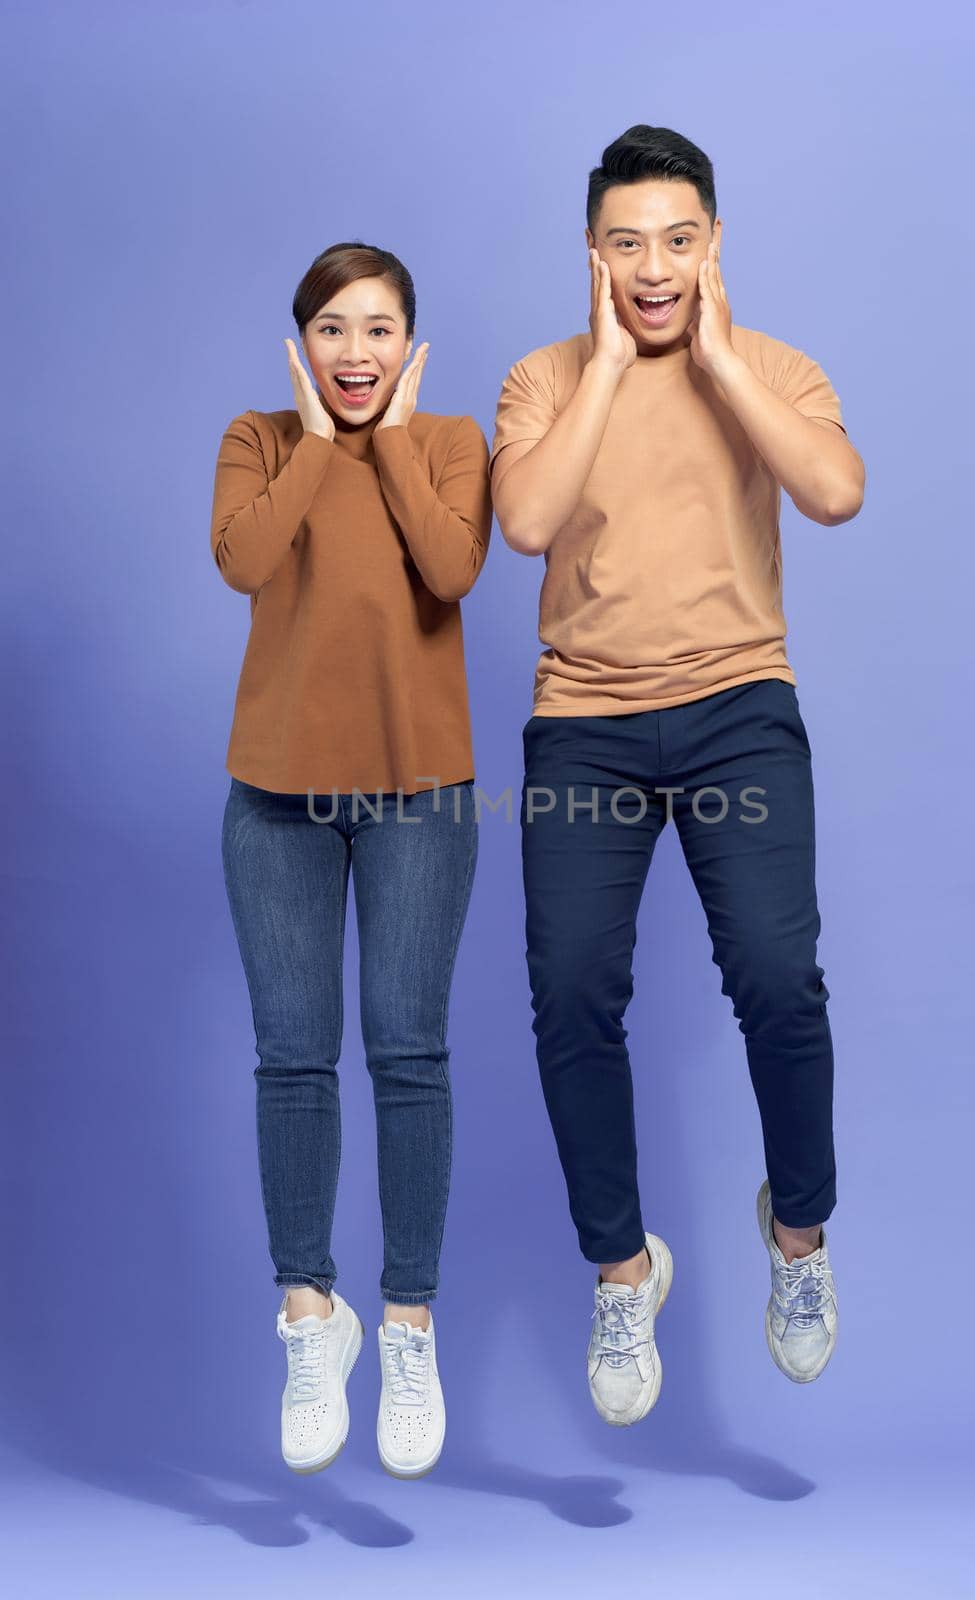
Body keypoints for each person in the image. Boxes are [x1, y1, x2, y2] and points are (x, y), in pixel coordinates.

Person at [490, 126, 864, 1423]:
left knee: (776, 973)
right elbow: (527, 523)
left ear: (715, 245)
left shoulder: (771, 368)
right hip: (584, 723)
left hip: (737, 714)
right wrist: (606, 365)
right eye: (626, 243)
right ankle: (622, 1273)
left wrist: (712, 357)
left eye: (679, 240)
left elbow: (835, 491)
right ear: (592, 255)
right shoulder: (541, 379)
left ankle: (798, 1241)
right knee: (571, 991)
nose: (654, 266)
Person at [211, 241, 492, 1476]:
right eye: (333, 328)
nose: (356, 351)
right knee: (293, 1057)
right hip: (276, 801)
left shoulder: (446, 447)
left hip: (421, 796)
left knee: (409, 1049)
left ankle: (411, 1324)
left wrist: (382, 444)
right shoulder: (259, 438)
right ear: (301, 343)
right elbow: (243, 560)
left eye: (379, 329)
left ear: (410, 343)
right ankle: (306, 1316)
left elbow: (453, 568)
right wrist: (322, 439)